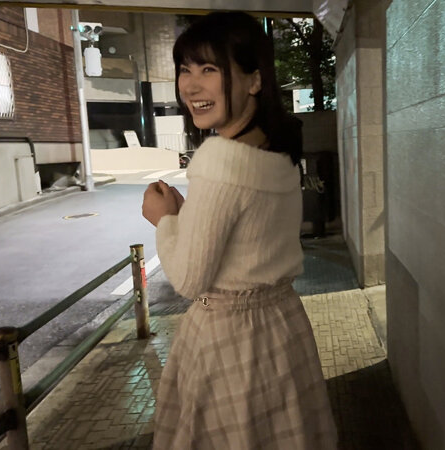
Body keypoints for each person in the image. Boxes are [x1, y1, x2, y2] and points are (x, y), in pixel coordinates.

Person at [141, 11, 337, 450]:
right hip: (282, 328)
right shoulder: (277, 150)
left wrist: (164, 219)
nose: (191, 86)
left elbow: (189, 279)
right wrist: (188, 216)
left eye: (209, 69)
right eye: (185, 70)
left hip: (229, 339)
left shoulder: (219, 160)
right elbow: (247, 236)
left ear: (254, 79)